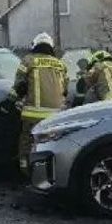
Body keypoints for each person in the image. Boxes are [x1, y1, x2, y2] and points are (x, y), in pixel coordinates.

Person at [12, 33, 68, 172]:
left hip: (33, 114)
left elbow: (18, 87)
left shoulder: (28, 61)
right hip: (56, 116)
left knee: (27, 141)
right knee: (52, 143)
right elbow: (65, 90)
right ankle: (51, 170)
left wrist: (9, 102)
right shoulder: (60, 64)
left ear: (35, 45)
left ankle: (25, 170)